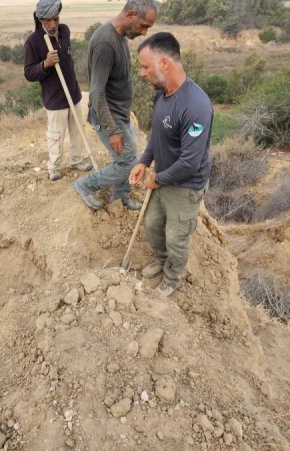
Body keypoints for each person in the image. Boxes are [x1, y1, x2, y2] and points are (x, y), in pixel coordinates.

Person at [129, 32, 213, 297]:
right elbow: (157, 135)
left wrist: (158, 179)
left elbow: (190, 162)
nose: (142, 73)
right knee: (152, 224)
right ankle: (161, 260)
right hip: (163, 177)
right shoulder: (162, 95)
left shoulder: (195, 105)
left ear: (164, 63)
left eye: (145, 66)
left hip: (184, 185)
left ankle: (173, 277)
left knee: (176, 236)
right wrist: (144, 162)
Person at [71, 0, 158, 210]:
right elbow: (97, 92)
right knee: (128, 163)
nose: (144, 32)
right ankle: (84, 185)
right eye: (143, 25)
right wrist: (112, 129)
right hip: (108, 117)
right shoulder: (105, 43)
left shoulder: (119, 35)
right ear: (131, 14)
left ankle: (121, 199)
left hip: (119, 114)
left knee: (129, 157)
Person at [24, 0, 94, 182]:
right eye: (48, 21)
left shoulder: (65, 31)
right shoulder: (33, 41)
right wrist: (45, 64)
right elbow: (29, 73)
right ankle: (54, 167)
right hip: (54, 100)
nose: (53, 24)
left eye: (55, 19)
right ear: (40, 20)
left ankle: (76, 161)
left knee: (77, 130)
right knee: (56, 135)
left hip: (74, 94)